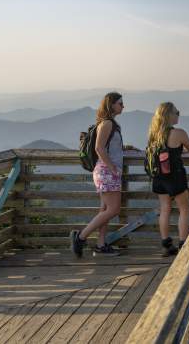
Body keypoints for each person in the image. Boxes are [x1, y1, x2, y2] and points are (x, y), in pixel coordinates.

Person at [146, 102, 189, 256]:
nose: (178, 114)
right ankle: (183, 244)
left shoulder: (154, 133)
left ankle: (166, 244)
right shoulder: (179, 133)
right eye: (176, 112)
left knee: (165, 208)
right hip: (175, 176)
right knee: (184, 209)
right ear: (169, 115)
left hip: (158, 177)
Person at [71, 92, 125, 257]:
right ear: (111, 105)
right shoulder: (107, 123)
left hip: (106, 171)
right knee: (114, 209)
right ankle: (80, 237)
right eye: (120, 103)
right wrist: (113, 168)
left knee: (105, 209)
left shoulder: (109, 124)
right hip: (107, 171)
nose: (123, 106)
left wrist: (126, 148)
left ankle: (101, 245)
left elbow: (108, 146)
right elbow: (98, 148)